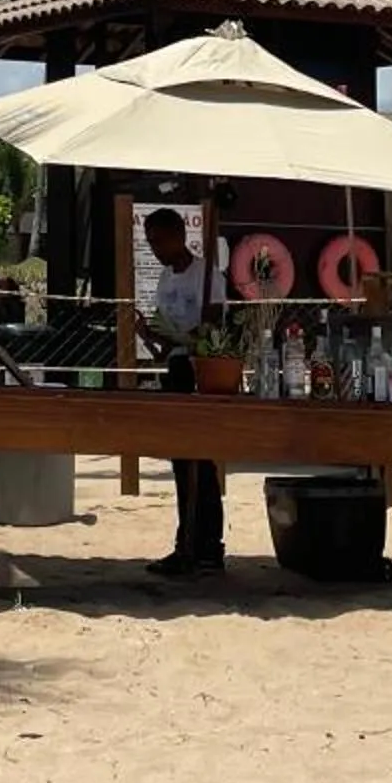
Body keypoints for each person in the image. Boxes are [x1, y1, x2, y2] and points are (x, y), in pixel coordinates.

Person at [135, 203, 226, 580]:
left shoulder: (207, 276)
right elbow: (164, 339)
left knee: (199, 461)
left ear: (180, 236)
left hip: (199, 367)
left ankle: (207, 545)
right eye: (150, 242)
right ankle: (186, 541)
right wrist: (150, 335)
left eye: (160, 241)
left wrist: (188, 338)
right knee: (179, 461)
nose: (155, 249)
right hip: (174, 364)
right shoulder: (164, 279)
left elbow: (214, 326)